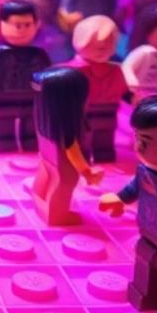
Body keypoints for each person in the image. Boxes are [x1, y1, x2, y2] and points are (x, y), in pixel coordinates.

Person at [100, 97, 157, 310]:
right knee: (145, 266)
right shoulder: (145, 170)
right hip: (149, 233)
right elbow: (135, 187)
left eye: (146, 140)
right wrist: (120, 198)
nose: (138, 146)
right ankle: (145, 296)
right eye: (137, 137)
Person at [31, 66, 103, 226]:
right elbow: (72, 150)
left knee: (45, 177)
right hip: (63, 164)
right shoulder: (66, 125)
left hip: (46, 156)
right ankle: (57, 215)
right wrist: (86, 171)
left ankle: (38, 201)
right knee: (64, 184)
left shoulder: (43, 117)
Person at [0, 0, 51, 153]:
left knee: (32, 120)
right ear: (3, 24)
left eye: (27, 25)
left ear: (36, 25)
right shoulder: (0, 52)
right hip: (4, 94)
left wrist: (49, 88)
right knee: (4, 120)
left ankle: (30, 142)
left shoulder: (39, 53)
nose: (22, 30)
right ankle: (4, 142)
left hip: (32, 95)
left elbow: (48, 72)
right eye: (17, 25)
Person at [70, 15, 126, 163]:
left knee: (105, 137)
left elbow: (125, 90)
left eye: (109, 42)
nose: (103, 47)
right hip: (82, 111)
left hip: (109, 110)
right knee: (82, 136)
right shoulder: (73, 70)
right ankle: (81, 159)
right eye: (97, 45)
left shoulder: (116, 70)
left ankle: (103, 156)